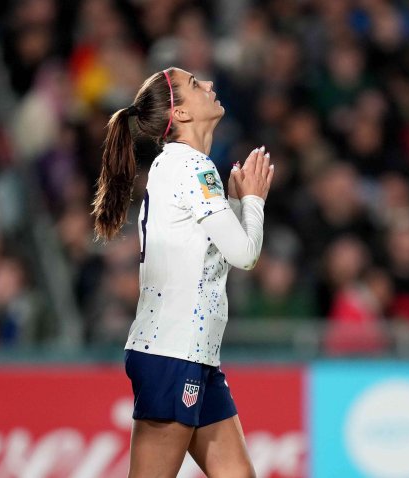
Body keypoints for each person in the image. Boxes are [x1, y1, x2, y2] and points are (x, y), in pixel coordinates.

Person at [91, 67, 273, 477]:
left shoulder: (178, 167)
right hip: (173, 354)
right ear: (182, 116)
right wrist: (255, 200)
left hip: (193, 356)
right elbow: (245, 254)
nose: (208, 85)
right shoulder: (194, 169)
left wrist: (236, 202)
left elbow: (212, 252)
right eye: (194, 85)